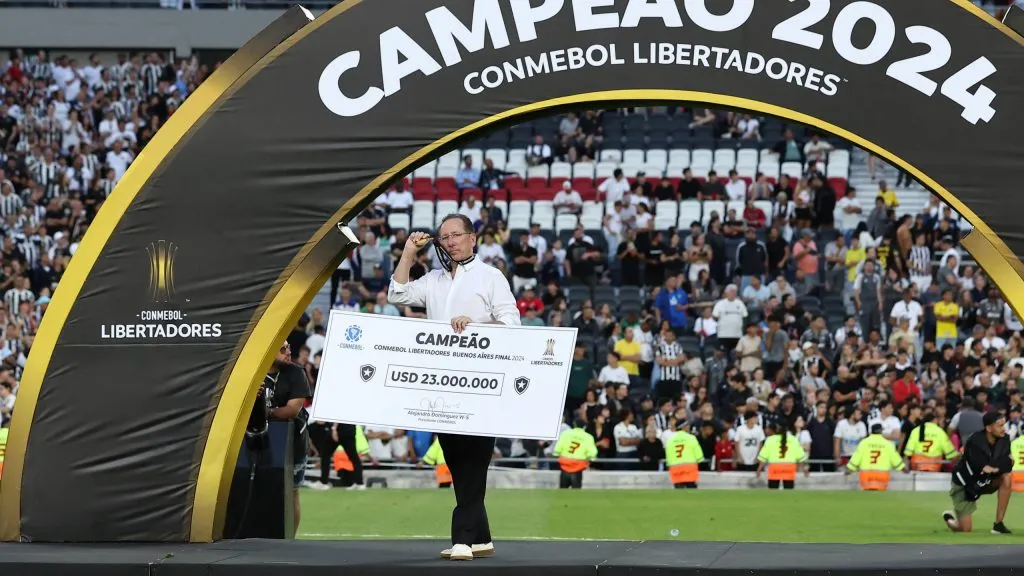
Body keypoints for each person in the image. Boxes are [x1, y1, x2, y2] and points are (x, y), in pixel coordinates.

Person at [389, 213, 521, 561]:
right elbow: (396, 293)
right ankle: (481, 538)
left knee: (475, 460)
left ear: (472, 237)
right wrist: (408, 253)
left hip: (481, 382)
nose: (450, 242)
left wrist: (475, 326)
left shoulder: (491, 276)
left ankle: (462, 538)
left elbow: (512, 322)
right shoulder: (432, 279)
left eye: (456, 235)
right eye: (444, 237)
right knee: (457, 459)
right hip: (443, 381)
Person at [263, 341, 313, 531]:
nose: (288, 352)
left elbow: (292, 410)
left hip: (293, 442)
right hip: (259, 441)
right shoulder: (254, 372)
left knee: (292, 491)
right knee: (262, 491)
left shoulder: (296, 372)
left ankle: (290, 537)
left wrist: (264, 412)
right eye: (282, 349)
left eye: (290, 347)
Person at [944, 411, 1013, 534]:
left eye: (1004, 425)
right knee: (965, 529)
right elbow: (981, 466)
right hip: (965, 485)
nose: (1004, 429)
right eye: (1000, 425)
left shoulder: (1005, 439)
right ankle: (950, 520)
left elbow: (1008, 464)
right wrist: (999, 465)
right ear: (989, 428)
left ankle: (998, 524)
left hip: (985, 481)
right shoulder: (975, 441)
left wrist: (997, 467)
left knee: (1007, 477)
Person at [845, 423, 908, 490]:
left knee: (867, 496)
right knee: (880, 497)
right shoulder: (888, 444)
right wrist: (904, 469)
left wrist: (849, 469)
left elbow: (856, 458)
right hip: (882, 475)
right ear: (881, 431)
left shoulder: (864, 443)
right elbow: (896, 460)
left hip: (866, 475)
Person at [756, 421, 808, 490]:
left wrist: (759, 470)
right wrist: (804, 469)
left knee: (773, 491)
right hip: (789, 468)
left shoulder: (770, 440)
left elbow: (763, 458)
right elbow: (801, 458)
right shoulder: (793, 439)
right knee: (788, 491)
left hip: (775, 468)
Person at [552, 418, 598, 489]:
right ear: (584, 426)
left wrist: (556, 455)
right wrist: (591, 461)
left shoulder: (566, 433)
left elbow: (557, 449)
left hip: (565, 463)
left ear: (574, 424)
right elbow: (592, 453)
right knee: (576, 492)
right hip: (578, 465)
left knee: (562, 491)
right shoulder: (588, 437)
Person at [664, 420, 704, 489]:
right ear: (683, 427)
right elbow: (699, 456)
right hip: (689, 469)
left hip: (675, 469)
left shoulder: (670, 440)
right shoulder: (691, 438)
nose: (688, 427)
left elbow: (668, 457)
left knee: (679, 492)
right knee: (692, 491)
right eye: (687, 426)